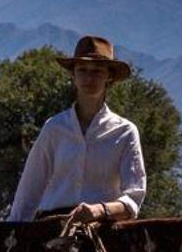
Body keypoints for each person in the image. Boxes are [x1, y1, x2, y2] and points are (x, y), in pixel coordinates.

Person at [8, 36, 147, 225]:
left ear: (109, 76)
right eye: (82, 70)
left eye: (97, 71)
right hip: (51, 226)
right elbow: (29, 189)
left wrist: (99, 210)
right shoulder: (54, 128)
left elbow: (134, 197)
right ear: (72, 75)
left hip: (102, 227)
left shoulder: (125, 131)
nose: (89, 78)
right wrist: (13, 233)